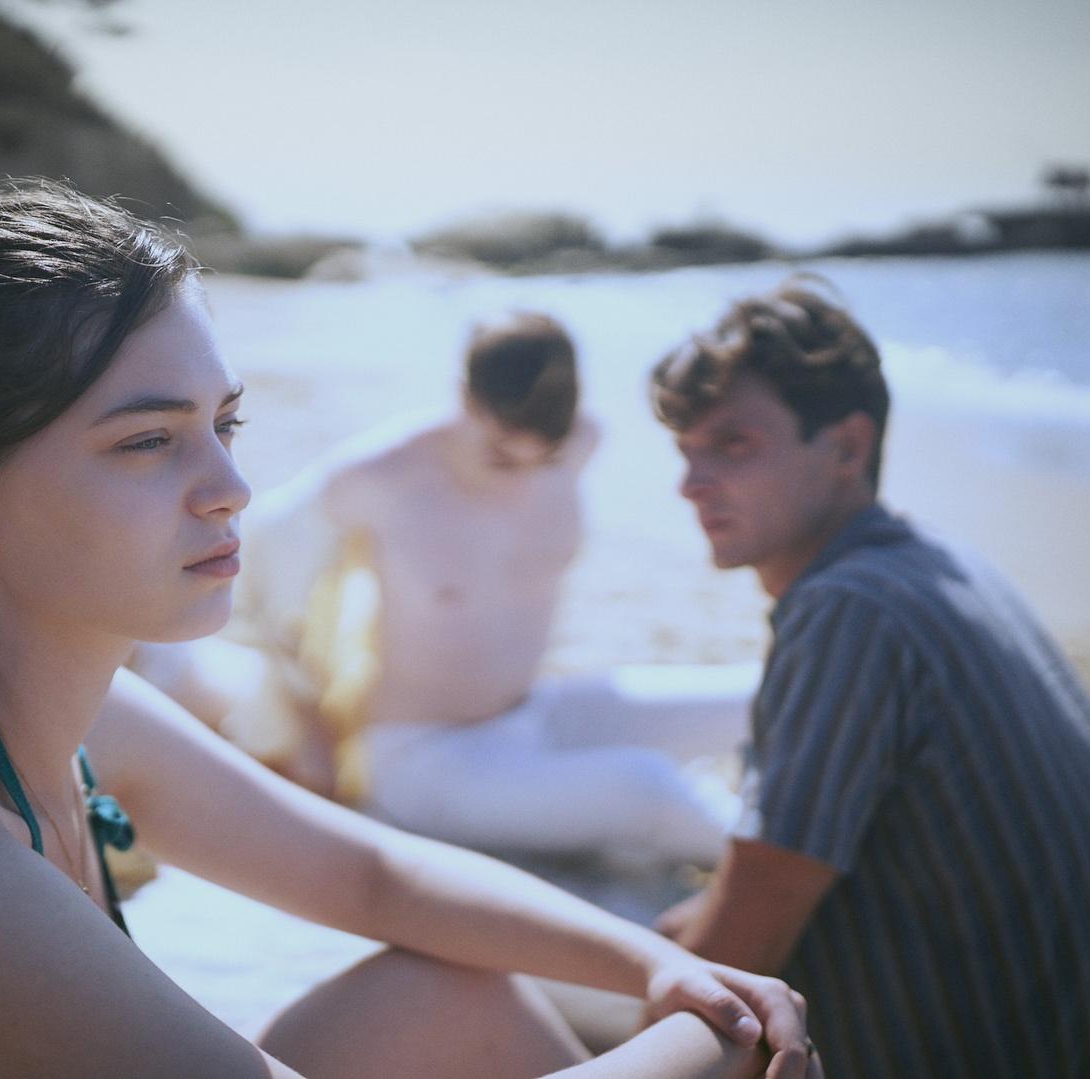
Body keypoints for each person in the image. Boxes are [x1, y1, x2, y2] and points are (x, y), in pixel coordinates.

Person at [0, 180, 819, 1078]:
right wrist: (718, 1032)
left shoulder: (59, 701)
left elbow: (366, 869)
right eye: (147, 440)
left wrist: (662, 964)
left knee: (452, 996)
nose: (229, 487)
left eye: (224, 421)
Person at [647, 278, 1090, 1079]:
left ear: (848, 446)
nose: (690, 480)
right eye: (686, 449)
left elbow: (738, 951)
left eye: (732, 443)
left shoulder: (848, 611)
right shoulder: (937, 562)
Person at [135, 312, 757, 872]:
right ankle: (802, 874)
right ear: (463, 398)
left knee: (762, 696)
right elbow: (258, 581)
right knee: (646, 789)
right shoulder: (381, 476)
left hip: (538, 710)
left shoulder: (578, 442)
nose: (521, 468)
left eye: (540, 459)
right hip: (426, 757)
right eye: (500, 453)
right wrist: (307, 725)